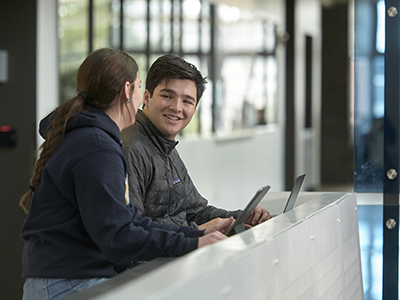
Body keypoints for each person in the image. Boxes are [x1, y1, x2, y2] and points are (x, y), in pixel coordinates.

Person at [19, 48, 233, 300]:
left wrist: (195, 235)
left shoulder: (94, 139)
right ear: (127, 91)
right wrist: (192, 241)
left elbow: (127, 222)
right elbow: (119, 236)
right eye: (140, 87)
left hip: (68, 279)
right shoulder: (98, 147)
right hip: (69, 283)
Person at [121, 54, 271, 231]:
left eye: (187, 101)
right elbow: (132, 230)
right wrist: (196, 232)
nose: (177, 108)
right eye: (167, 96)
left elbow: (196, 212)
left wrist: (242, 217)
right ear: (147, 97)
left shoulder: (165, 145)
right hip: (160, 258)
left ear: (195, 108)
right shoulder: (131, 148)